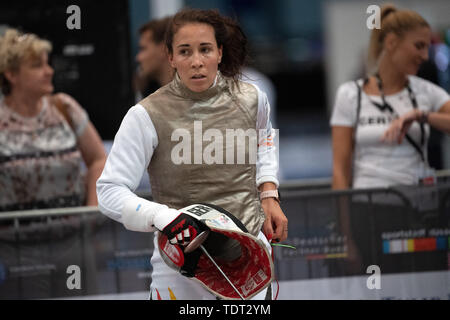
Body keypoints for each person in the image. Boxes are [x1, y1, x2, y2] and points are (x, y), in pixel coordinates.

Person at [97, 8, 287, 300]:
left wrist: (269, 194)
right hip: (180, 264)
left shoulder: (252, 99)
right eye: (185, 52)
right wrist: (165, 217)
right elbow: (109, 191)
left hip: (247, 257)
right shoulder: (146, 114)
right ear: (170, 57)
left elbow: (265, 140)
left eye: (205, 50)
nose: (197, 62)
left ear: (220, 53)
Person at [331, 5, 450, 190]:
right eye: (419, 46)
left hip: (418, 207)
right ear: (392, 42)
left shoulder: (426, 91)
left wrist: (422, 116)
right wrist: (344, 219)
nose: (425, 56)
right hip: (367, 207)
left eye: (427, 48)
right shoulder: (349, 94)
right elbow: (340, 170)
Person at [0, 29, 106, 211]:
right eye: (37, 65)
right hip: (12, 236)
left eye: (47, 64)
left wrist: (92, 211)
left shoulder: (64, 107)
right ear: (11, 75)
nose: (49, 71)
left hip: (75, 236)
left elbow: (98, 160)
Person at [135, 16, 175, 99]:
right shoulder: (146, 96)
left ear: (163, 49)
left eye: (143, 49)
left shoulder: (194, 94)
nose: (138, 58)